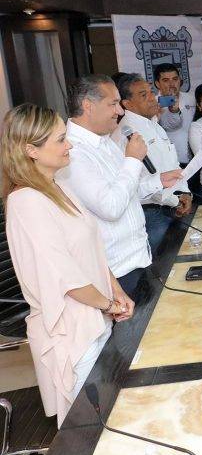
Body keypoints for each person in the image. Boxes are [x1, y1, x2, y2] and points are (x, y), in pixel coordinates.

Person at [2, 104, 135, 427]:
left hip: (95, 314)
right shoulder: (26, 201)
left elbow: (90, 251)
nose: (69, 144)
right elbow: (65, 275)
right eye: (60, 139)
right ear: (31, 150)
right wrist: (108, 305)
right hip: (71, 330)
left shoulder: (58, 185)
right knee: (90, 428)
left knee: (113, 413)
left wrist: (116, 291)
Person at [59, 75, 175, 297]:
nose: (120, 111)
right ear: (88, 106)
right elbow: (110, 207)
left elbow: (126, 191)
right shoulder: (73, 152)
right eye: (113, 104)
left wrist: (157, 181)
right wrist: (133, 160)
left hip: (138, 258)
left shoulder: (104, 140)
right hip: (115, 271)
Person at [112, 73, 192, 252]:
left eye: (151, 92)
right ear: (127, 104)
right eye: (143, 95)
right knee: (160, 263)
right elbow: (136, 182)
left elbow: (172, 165)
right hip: (152, 213)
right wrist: (175, 200)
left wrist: (185, 192)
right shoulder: (125, 134)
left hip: (172, 204)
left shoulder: (153, 123)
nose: (152, 98)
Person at [154, 63, 195, 166]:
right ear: (157, 84)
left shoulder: (191, 98)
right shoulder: (153, 104)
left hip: (195, 158)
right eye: (166, 80)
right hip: (172, 161)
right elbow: (170, 126)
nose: (172, 84)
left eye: (175, 79)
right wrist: (173, 110)